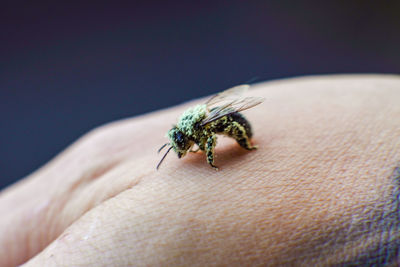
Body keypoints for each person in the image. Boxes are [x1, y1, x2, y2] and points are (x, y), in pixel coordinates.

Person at [0, 75, 399, 266]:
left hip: (235, 124)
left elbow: (219, 128)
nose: (180, 152)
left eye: (183, 146)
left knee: (233, 132)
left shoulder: (204, 132)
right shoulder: (186, 130)